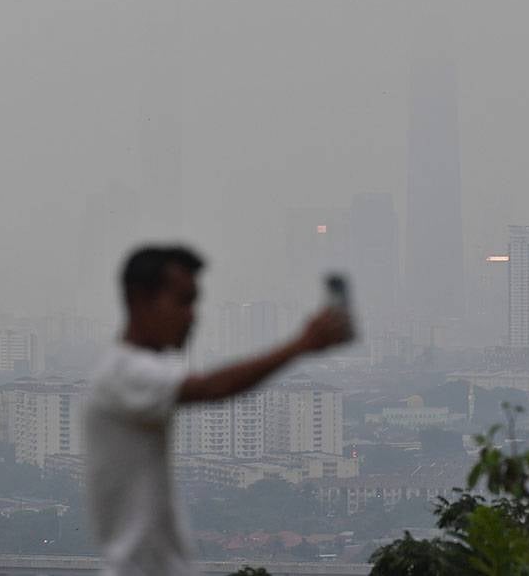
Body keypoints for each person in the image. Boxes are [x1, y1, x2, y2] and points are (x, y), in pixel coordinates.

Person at [84, 245, 353, 575]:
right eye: (183, 301)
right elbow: (210, 387)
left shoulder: (141, 370)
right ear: (140, 300)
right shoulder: (123, 373)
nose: (192, 316)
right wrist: (302, 344)